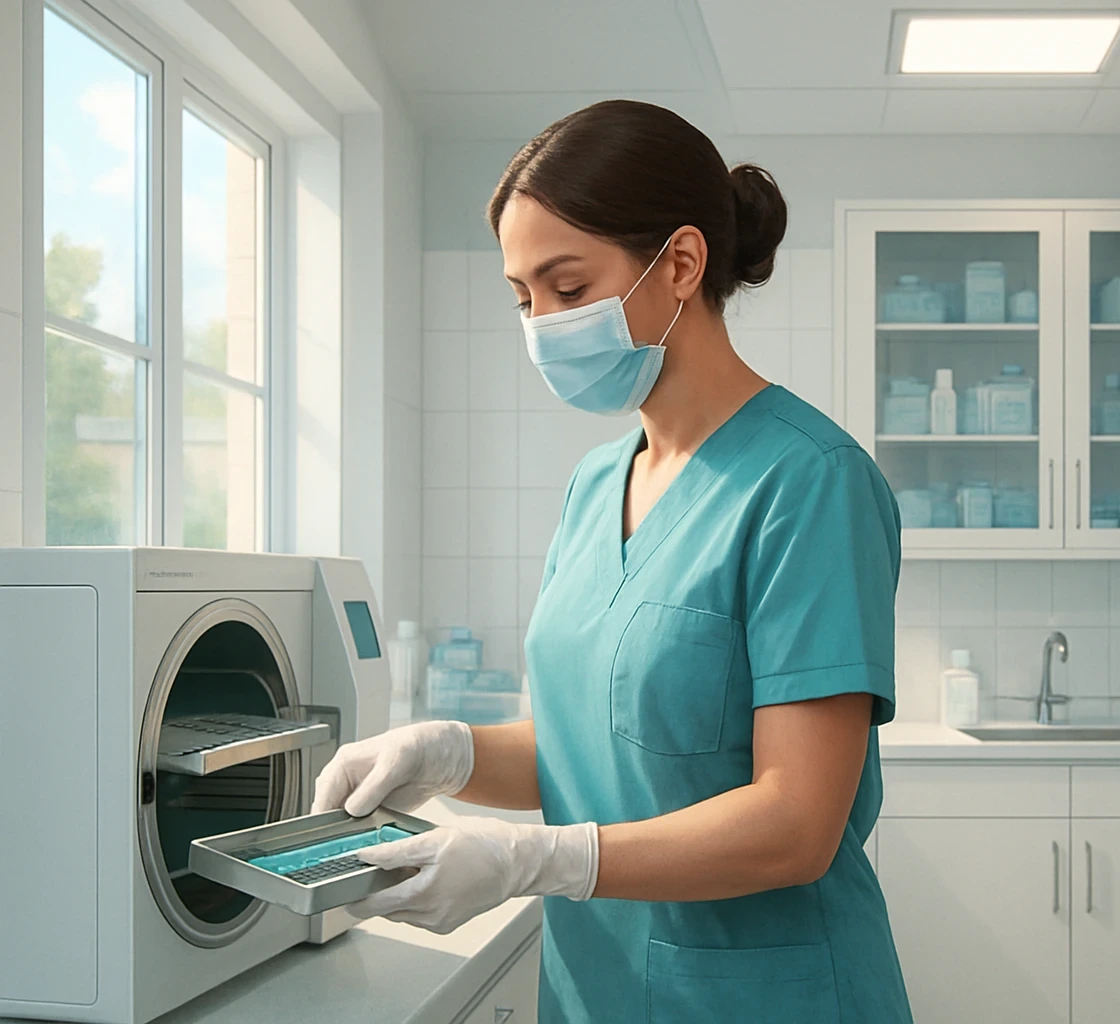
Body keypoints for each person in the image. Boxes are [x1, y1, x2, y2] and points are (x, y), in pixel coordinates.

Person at [313, 99, 913, 1024]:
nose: (542, 323)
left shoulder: (811, 482)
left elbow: (796, 826)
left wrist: (531, 859)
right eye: (522, 298)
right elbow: (592, 751)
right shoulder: (597, 486)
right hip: (597, 991)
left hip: (760, 996)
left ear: (679, 264)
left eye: (567, 286)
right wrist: (447, 753)